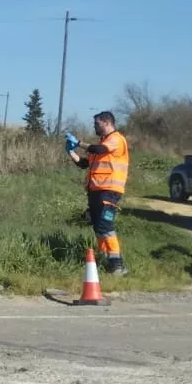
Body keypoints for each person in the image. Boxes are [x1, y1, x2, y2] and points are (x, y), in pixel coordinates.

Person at [66, 111, 130, 276]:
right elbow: (84, 164)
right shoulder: (103, 143)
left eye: (97, 124)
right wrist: (71, 152)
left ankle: (117, 265)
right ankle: (105, 260)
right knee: (98, 228)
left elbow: (98, 149)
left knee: (105, 226)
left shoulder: (116, 139)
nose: (94, 127)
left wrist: (79, 143)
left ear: (107, 123)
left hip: (109, 192)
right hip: (95, 191)